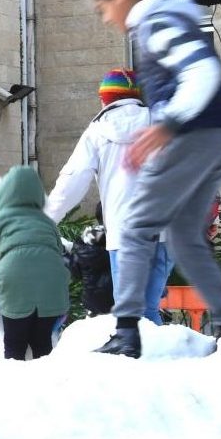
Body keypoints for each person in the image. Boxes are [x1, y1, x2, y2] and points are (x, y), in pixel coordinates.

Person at [89, 0, 221, 358]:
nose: (107, 20)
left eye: (104, 9)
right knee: (183, 236)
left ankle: (126, 330)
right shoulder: (171, 19)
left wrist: (169, 124)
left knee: (134, 223)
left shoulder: (157, 24)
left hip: (195, 131)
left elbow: (202, 70)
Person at [44, 69, 173, 324]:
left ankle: (138, 359)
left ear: (105, 100)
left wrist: (44, 220)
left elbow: (72, 181)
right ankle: (156, 358)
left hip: (124, 233)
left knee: (132, 315)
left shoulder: (97, 131)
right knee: (149, 308)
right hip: (165, 230)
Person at [0, 166, 71, 360]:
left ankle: (16, 386)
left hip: (14, 286)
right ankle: (45, 386)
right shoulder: (48, 223)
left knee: (14, 345)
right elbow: (59, 256)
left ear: (2, 194)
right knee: (43, 344)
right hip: (52, 287)